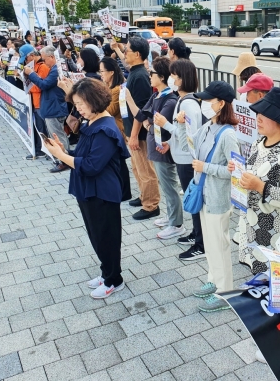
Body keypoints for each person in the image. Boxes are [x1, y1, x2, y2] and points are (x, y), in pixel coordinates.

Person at [43, 78, 130, 299]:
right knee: (96, 235)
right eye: (76, 103)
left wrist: (62, 157)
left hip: (102, 192)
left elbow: (92, 165)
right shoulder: (91, 123)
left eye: (81, 103)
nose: (78, 108)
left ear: (94, 100)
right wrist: (65, 151)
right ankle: (106, 272)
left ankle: (114, 279)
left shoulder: (106, 128)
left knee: (106, 237)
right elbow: (84, 157)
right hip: (89, 189)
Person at [181, 81, 239, 312]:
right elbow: (189, 144)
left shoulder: (229, 135)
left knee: (220, 245)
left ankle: (226, 293)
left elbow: (234, 172)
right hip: (204, 196)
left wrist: (206, 168)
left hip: (218, 199)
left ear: (221, 103)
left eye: (208, 101)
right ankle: (214, 280)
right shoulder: (207, 127)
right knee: (211, 245)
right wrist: (177, 125)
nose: (204, 104)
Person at [229, 87, 280, 274]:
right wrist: (238, 172)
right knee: (258, 279)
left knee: (275, 280)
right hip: (252, 225)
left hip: (275, 233)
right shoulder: (258, 143)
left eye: (266, 114)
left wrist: (259, 186)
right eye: (258, 112)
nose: (258, 118)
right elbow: (253, 173)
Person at [125, 57, 184, 239]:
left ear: (163, 76)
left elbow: (157, 124)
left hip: (163, 149)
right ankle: (171, 216)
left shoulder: (170, 100)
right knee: (166, 186)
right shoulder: (156, 95)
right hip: (156, 148)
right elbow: (143, 115)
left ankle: (177, 224)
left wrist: (149, 125)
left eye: (153, 73)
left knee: (169, 186)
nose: (150, 76)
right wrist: (131, 102)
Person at [156, 59, 206, 260]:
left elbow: (191, 136)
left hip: (187, 160)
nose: (171, 79)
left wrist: (167, 125)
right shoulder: (182, 99)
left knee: (193, 199)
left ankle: (202, 244)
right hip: (182, 157)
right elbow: (183, 133)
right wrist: (171, 141)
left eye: (174, 76)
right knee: (190, 197)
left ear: (182, 78)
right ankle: (196, 233)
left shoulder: (187, 102)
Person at [122, 37, 161, 220]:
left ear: (137, 54)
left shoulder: (140, 77)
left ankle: (151, 204)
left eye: (126, 50)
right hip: (133, 130)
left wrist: (135, 135)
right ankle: (144, 196)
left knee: (146, 170)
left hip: (141, 133)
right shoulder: (134, 73)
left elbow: (142, 111)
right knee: (138, 168)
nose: (124, 53)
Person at [24, 46, 70, 173]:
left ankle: (64, 161)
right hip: (54, 107)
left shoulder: (55, 70)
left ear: (51, 57)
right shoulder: (56, 68)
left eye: (44, 60)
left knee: (58, 135)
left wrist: (31, 74)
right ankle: (65, 158)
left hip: (54, 108)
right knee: (59, 134)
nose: (43, 63)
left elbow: (44, 84)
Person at [22, 45, 50, 160]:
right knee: (39, 127)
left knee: (42, 128)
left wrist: (28, 89)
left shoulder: (42, 67)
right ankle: (40, 149)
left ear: (32, 56)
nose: (26, 61)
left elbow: (40, 86)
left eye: (26, 58)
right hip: (35, 102)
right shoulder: (35, 66)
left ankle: (44, 150)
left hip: (40, 103)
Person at [99, 57, 126, 136]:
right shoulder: (107, 86)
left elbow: (110, 111)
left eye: (102, 71)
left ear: (111, 72)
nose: (100, 74)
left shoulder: (117, 90)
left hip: (116, 128)